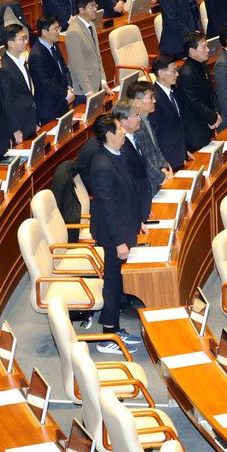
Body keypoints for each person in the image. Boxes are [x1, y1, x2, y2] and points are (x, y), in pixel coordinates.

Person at [89, 113, 145, 348]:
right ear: (109, 134)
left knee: (118, 279)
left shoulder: (117, 154)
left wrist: (138, 221)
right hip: (114, 234)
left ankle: (114, 328)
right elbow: (108, 208)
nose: (124, 131)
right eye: (120, 129)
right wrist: (120, 242)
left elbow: (127, 194)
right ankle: (107, 335)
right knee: (112, 281)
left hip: (125, 225)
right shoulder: (102, 165)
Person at [176, 32, 223, 152]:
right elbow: (194, 103)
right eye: (204, 47)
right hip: (196, 129)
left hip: (208, 123)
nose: (208, 50)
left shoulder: (203, 65)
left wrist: (216, 114)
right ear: (192, 51)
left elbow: (211, 93)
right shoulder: (186, 74)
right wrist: (213, 117)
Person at [0, 24, 40, 141]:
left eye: (26, 37)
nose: (26, 41)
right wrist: (15, 129)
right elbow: (7, 102)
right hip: (19, 125)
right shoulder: (3, 68)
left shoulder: (22, 60)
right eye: (22, 39)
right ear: (10, 43)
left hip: (30, 120)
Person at [29, 15, 74, 126]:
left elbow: (64, 68)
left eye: (59, 28)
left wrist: (69, 86)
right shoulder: (36, 55)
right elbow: (46, 83)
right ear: (44, 32)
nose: (59, 31)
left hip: (62, 101)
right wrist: (65, 94)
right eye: (55, 29)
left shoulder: (54, 45)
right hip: (49, 107)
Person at [148, 55, 187, 170]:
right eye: (174, 71)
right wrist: (162, 164)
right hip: (168, 160)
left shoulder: (173, 91)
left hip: (180, 154)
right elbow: (154, 135)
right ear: (161, 73)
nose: (177, 74)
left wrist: (184, 150)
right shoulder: (154, 100)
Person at [66, 0, 105, 95]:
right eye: (91, 6)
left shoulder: (91, 25)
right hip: (85, 90)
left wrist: (103, 81)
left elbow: (97, 56)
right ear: (82, 10)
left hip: (97, 84)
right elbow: (77, 65)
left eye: (95, 5)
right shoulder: (73, 32)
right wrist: (88, 91)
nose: (95, 9)